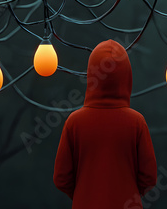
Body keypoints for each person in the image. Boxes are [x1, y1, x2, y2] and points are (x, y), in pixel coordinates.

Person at [53, 39, 158, 209]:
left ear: (92, 75)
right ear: (127, 77)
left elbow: (61, 177)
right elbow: (149, 177)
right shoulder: (136, 122)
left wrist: (85, 194)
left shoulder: (74, 122)